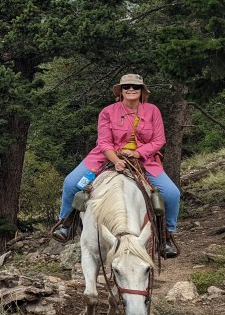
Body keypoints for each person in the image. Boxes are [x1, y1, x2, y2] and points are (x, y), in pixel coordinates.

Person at [52, 73, 181, 258]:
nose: (130, 89)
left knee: (171, 194)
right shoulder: (108, 112)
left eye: (135, 87)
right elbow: (104, 142)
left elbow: (159, 140)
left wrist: (137, 153)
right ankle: (66, 224)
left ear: (141, 91)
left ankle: (166, 235)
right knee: (72, 183)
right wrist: (116, 161)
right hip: (106, 157)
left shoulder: (153, 111)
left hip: (144, 160)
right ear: (120, 90)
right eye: (126, 86)